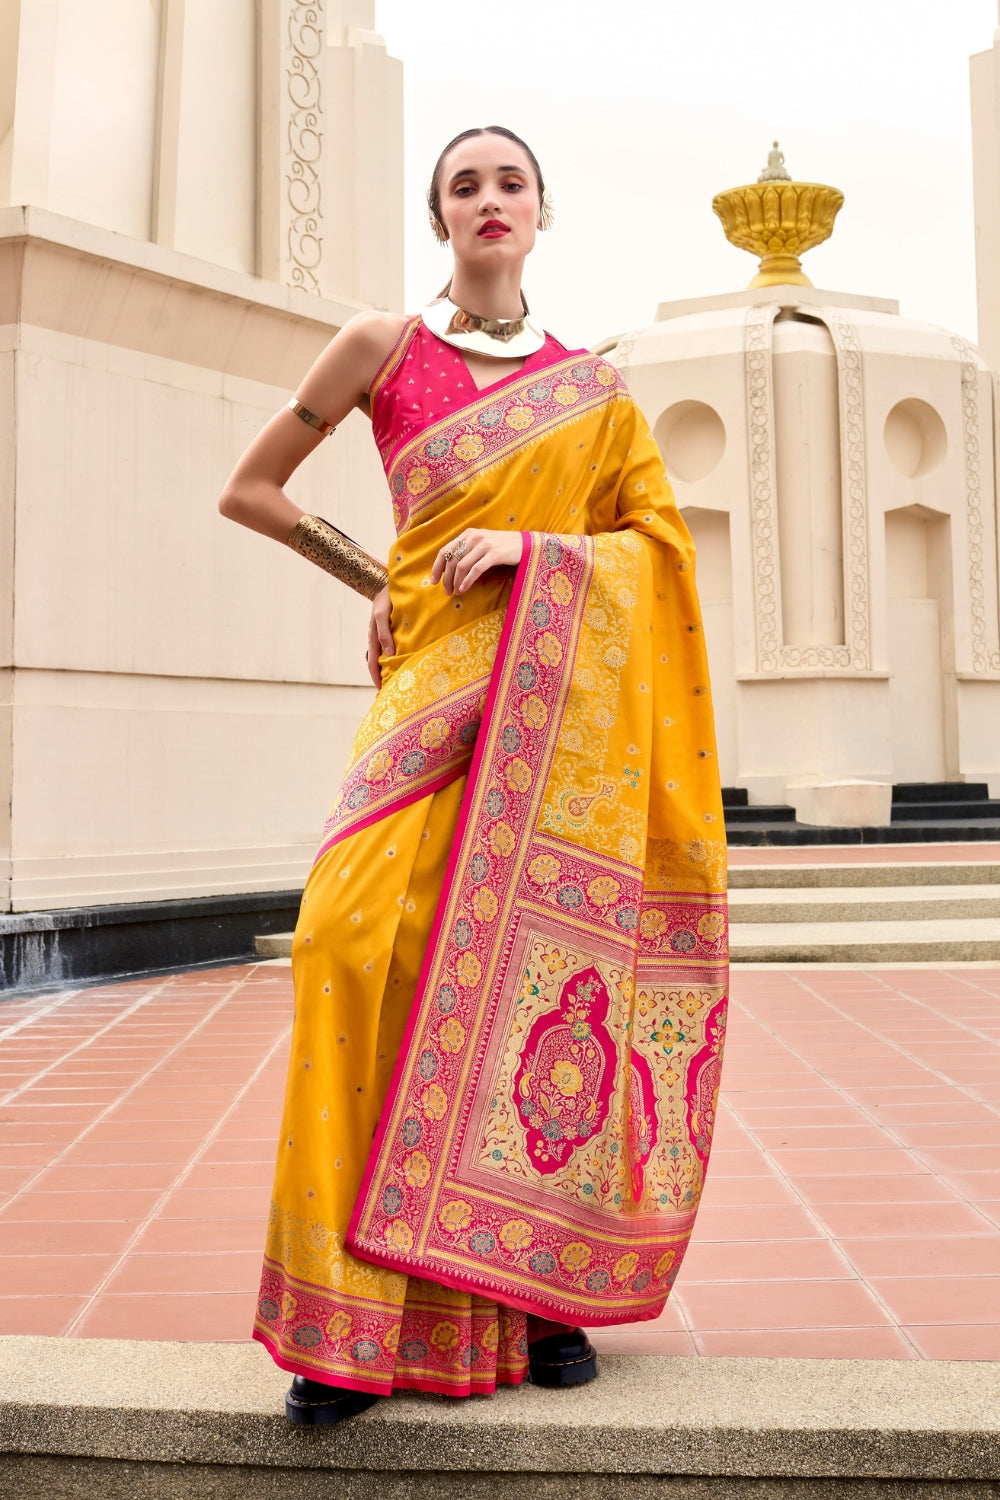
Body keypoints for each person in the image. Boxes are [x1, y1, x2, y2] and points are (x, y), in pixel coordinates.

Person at [219, 125, 728, 1425]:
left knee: (533, 975)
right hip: (425, 702)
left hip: (554, 728)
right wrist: (374, 582)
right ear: (441, 216)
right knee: (344, 945)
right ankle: (342, 1324)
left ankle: (537, 1294)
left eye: (510, 182)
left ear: (541, 213)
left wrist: (536, 553)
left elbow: (658, 559)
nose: (488, 201)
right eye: (465, 186)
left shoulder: (594, 393)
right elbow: (254, 488)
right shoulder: (383, 346)